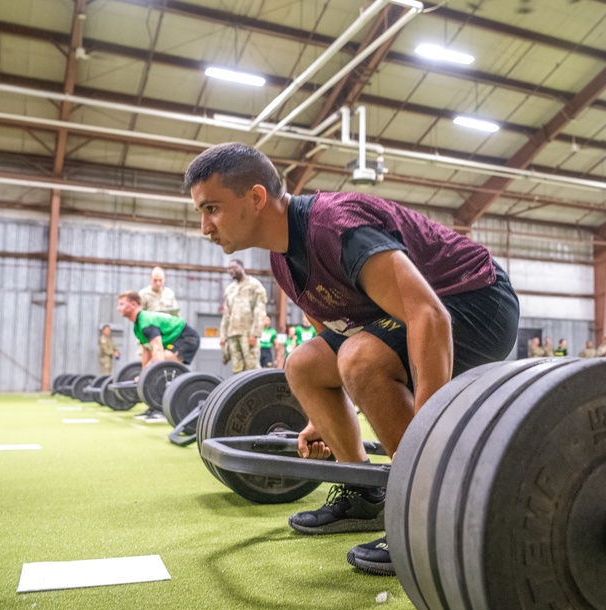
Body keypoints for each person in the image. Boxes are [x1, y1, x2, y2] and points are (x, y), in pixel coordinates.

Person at [185, 142, 519, 576]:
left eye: (212, 209)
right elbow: (332, 333)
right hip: (419, 312)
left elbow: (429, 315)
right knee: (303, 364)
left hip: (479, 299)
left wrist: (427, 432)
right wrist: (320, 418)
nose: (205, 227)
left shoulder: (334, 227)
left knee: (362, 360)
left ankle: (425, 511)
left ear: (256, 197)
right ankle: (365, 496)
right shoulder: (282, 259)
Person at [117, 291, 201, 420]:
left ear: (133, 305)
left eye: (122, 304)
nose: (118, 308)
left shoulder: (146, 322)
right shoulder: (137, 326)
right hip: (173, 340)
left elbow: (157, 349)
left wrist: (155, 376)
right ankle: (152, 407)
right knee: (151, 369)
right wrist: (144, 375)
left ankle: (163, 407)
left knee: (163, 366)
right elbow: (147, 351)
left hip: (186, 338)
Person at [220, 258, 268, 374]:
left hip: (247, 334)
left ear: (242, 267)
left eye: (234, 267)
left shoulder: (254, 285)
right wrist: (223, 335)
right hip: (232, 334)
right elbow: (226, 314)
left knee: (252, 368)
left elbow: (260, 311)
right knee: (237, 369)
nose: (231, 270)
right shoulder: (230, 289)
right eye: (229, 269)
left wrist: (255, 334)